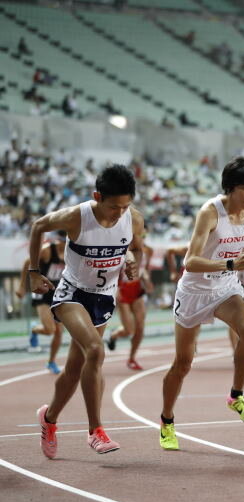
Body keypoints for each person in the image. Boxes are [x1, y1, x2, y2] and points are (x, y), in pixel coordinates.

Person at [31, 165, 144, 457]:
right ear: (97, 196)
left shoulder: (133, 219)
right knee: (95, 351)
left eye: (125, 206)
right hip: (72, 294)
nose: (119, 213)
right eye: (113, 207)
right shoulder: (76, 216)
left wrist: (133, 263)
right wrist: (33, 272)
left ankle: (49, 418)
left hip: (104, 299)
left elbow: (138, 249)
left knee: (73, 371)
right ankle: (96, 431)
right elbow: (37, 227)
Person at [159, 156, 244, 451]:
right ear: (230, 188)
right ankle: (167, 420)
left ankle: (236, 395)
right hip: (194, 292)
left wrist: (235, 266)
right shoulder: (210, 212)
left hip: (225, 289)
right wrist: (231, 262)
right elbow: (189, 262)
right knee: (183, 363)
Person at [16, 230, 66, 373]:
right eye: (63, 240)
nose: (65, 243)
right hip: (41, 293)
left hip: (56, 293)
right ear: (58, 240)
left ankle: (51, 361)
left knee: (59, 332)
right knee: (50, 330)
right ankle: (34, 329)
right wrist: (21, 287)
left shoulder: (71, 252)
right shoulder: (47, 251)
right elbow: (27, 262)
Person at [106, 233, 153, 371]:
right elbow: (111, 271)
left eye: (144, 235)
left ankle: (132, 358)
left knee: (140, 327)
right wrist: (115, 289)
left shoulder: (149, 250)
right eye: (139, 235)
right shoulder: (121, 251)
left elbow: (144, 269)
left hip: (137, 289)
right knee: (129, 330)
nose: (141, 238)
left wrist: (146, 280)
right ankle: (114, 335)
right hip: (123, 289)